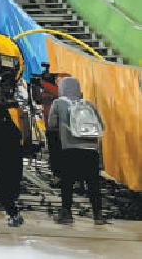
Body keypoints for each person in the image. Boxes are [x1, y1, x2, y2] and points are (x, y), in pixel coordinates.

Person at [47, 76, 105, 225]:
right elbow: (101, 126)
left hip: (70, 149)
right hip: (91, 150)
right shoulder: (88, 104)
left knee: (67, 183)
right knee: (93, 183)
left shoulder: (58, 103)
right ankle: (98, 215)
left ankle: (66, 214)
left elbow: (51, 124)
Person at [0, 103, 30, 227]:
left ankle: (14, 215)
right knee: (10, 191)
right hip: (15, 165)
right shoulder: (12, 126)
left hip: (0, 165)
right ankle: (13, 214)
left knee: (1, 192)